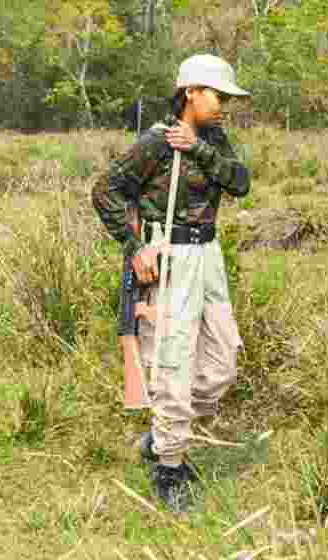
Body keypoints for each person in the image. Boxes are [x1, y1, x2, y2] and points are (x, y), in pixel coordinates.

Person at [92, 54, 251, 513]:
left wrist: (198, 148)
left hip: (209, 256)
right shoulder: (156, 142)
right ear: (190, 94)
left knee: (222, 365)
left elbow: (241, 182)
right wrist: (133, 246)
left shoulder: (215, 139)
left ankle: (163, 434)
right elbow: (106, 190)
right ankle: (170, 465)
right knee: (173, 362)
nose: (223, 104)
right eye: (217, 95)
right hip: (171, 256)